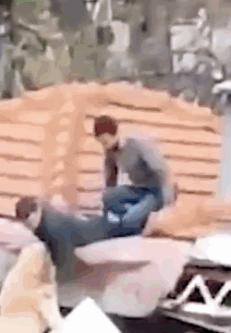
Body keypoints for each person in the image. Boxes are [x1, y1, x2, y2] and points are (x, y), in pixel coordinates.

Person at [14, 115, 176, 270]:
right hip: (139, 190)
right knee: (109, 199)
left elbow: (161, 171)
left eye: (105, 141)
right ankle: (123, 222)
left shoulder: (137, 144)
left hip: (156, 192)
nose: (104, 146)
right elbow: (110, 177)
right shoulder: (111, 150)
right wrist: (108, 205)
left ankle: (137, 223)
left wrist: (166, 202)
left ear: (115, 134)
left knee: (128, 220)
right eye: (101, 143)